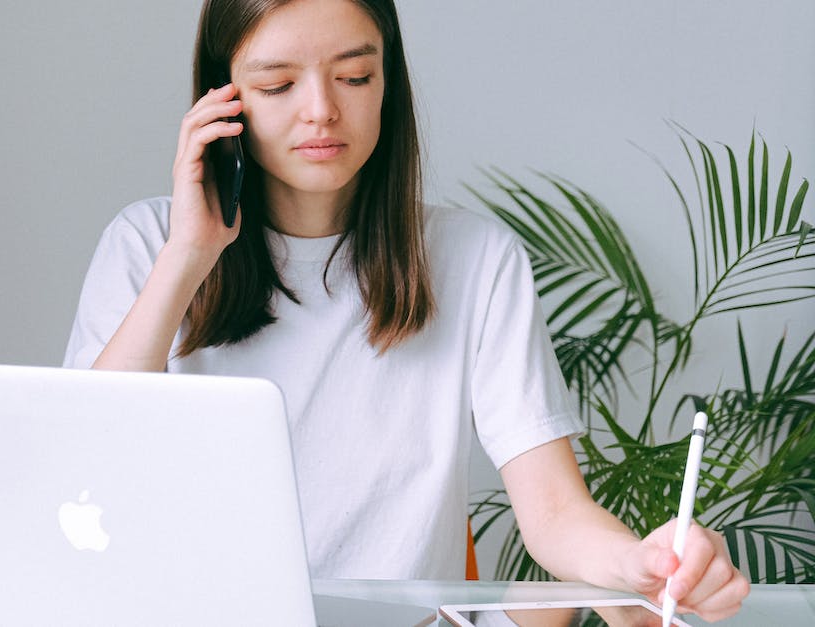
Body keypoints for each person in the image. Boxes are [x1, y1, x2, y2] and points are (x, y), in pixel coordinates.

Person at [63, 0, 749, 621]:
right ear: (223, 100)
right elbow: (84, 469)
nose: (322, 111)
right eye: (278, 85)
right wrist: (187, 255)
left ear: (388, 82)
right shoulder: (147, 245)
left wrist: (637, 566)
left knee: (547, 606)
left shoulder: (478, 260)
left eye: (355, 77)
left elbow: (556, 512)